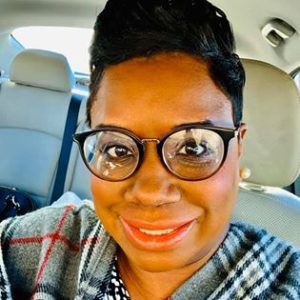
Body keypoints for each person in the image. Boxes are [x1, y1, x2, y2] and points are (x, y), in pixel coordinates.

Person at [0, 0, 299, 299]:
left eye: (193, 148)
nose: (151, 192)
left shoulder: (286, 281)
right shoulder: (49, 242)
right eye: (118, 149)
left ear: (238, 148)